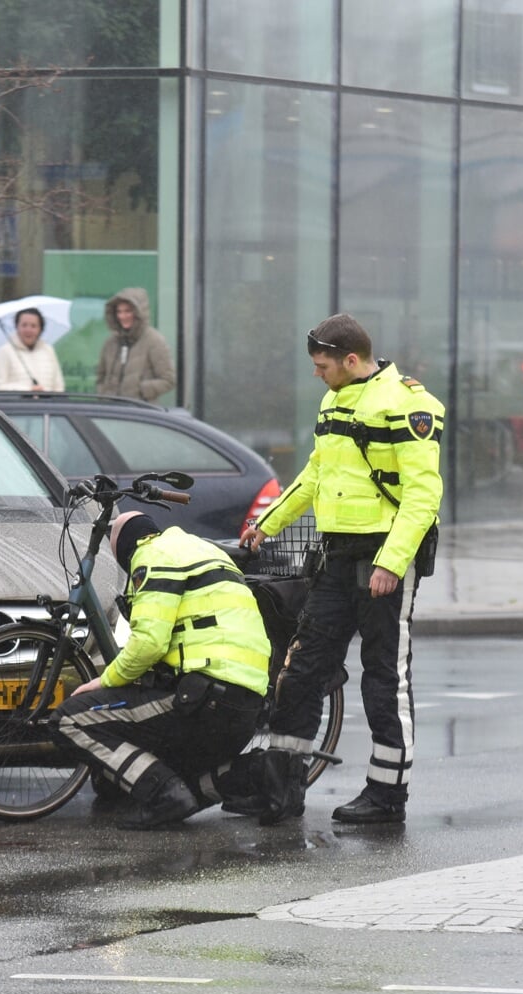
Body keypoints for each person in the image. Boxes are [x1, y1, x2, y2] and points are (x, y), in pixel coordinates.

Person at [240, 314, 445, 826]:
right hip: (338, 557)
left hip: (384, 559)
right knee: (302, 669)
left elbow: (423, 495)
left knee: (383, 677)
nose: (317, 374)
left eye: (322, 366)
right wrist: (267, 524)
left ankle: (387, 795)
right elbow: (315, 475)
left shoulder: (408, 403)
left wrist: (391, 564)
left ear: (351, 360)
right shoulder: (334, 400)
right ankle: (280, 789)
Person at [51, 511, 272, 829]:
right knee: (162, 769)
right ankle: (258, 771)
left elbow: (150, 644)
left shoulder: (152, 556)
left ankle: (164, 794)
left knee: (69, 720)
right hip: (243, 707)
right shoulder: (200, 548)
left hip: (202, 698)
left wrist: (105, 680)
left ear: (125, 548)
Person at [96, 288, 175, 402]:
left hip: (139, 414)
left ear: (139, 312)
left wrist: (141, 390)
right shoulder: (110, 343)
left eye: (128, 311)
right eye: (119, 311)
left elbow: (169, 380)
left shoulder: (154, 341)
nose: (122, 316)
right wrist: (103, 393)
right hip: (111, 413)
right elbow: (101, 377)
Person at [0, 306, 64, 392]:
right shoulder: (5, 351)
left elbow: (58, 386)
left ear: (40, 329)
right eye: (24, 325)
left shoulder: (48, 350)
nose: (28, 330)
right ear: (17, 327)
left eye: (33, 326)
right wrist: (27, 390)